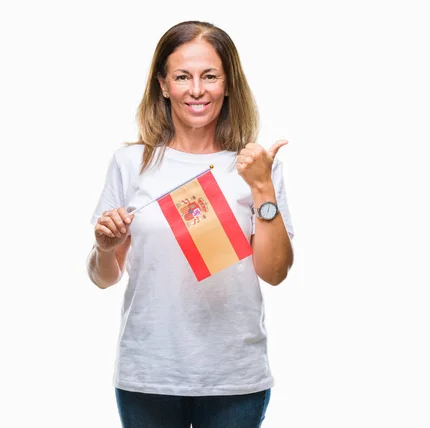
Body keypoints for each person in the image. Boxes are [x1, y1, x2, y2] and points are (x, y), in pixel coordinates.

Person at [87, 20, 294, 428]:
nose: (196, 90)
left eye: (210, 76)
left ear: (228, 84)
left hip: (234, 377)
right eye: (183, 76)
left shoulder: (256, 167)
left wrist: (263, 191)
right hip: (149, 373)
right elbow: (102, 278)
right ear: (163, 85)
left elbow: (274, 273)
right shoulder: (131, 164)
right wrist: (104, 246)